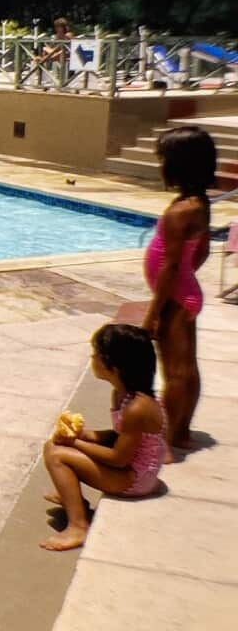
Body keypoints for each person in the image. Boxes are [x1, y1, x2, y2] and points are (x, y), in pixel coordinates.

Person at [41, 324, 165, 551]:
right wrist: (87, 436)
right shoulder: (122, 394)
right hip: (132, 469)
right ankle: (72, 497)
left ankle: (78, 526)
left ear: (113, 367)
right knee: (64, 446)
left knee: (55, 454)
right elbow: (122, 435)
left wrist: (75, 442)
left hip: (135, 479)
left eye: (95, 354)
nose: (92, 358)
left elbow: (119, 458)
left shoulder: (138, 407)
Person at [143, 126, 215, 462]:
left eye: (163, 159)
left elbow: (170, 267)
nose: (159, 165)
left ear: (178, 165)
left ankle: (167, 442)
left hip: (173, 296)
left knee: (174, 371)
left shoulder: (180, 211)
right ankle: (183, 431)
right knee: (187, 366)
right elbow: (201, 252)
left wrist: (154, 312)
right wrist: (188, 280)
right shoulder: (198, 203)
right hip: (183, 291)